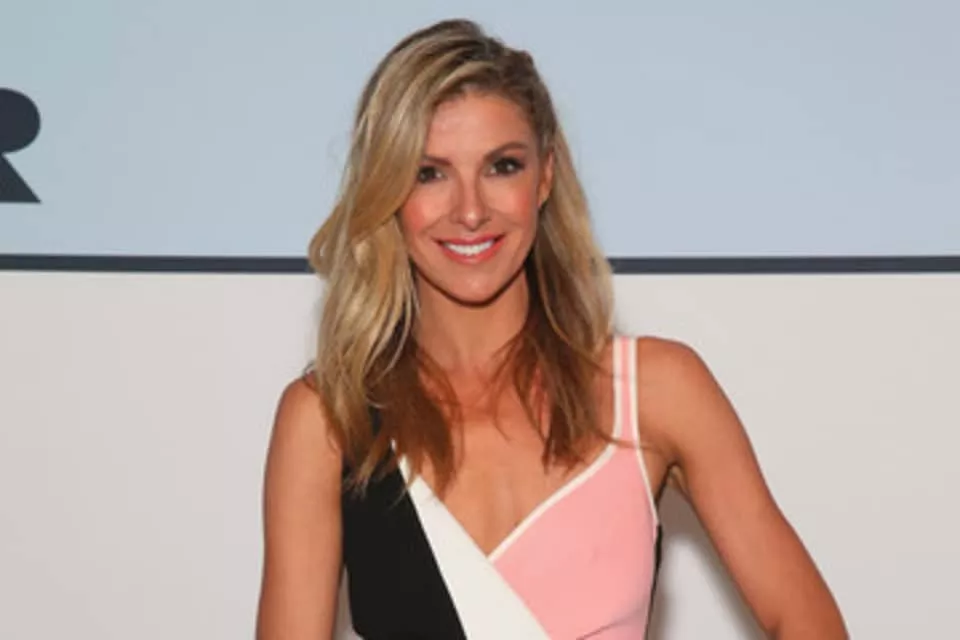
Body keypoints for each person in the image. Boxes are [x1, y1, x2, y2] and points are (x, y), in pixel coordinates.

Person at [256, 18, 847, 640]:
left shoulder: (656, 391)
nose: (470, 210)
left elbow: (807, 621)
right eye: (429, 173)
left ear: (544, 177)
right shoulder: (328, 420)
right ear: (386, 192)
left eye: (502, 166)